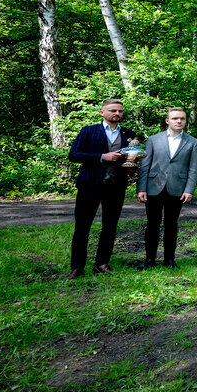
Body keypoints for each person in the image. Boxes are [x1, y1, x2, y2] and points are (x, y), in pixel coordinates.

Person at [67, 99, 137, 278]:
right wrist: (101, 156)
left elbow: (132, 157)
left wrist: (131, 165)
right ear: (102, 112)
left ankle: (102, 263)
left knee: (110, 226)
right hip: (89, 185)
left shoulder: (129, 134)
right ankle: (77, 267)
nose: (117, 114)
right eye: (113, 110)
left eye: (120, 111)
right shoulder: (88, 131)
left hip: (116, 186)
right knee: (82, 227)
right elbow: (73, 155)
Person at [135, 107, 197, 270]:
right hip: (154, 186)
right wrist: (141, 188)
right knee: (152, 224)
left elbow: (193, 168)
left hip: (177, 187)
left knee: (171, 224)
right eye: (175, 118)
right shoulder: (153, 140)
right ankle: (150, 259)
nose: (179, 121)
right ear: (167, 121)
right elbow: (145, 165)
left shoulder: (193, 142)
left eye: (182, 119)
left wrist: (189, 189)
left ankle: (169, 259)